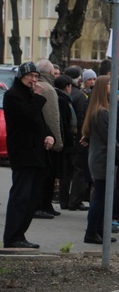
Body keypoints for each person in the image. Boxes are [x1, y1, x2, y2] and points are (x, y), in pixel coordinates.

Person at [2, 62, 55, 249]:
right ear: (21, 76)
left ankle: (20, 235)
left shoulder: (30, 95)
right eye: (30, 76)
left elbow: (39, 122)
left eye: (36, 76)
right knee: (21, 197)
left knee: (32, 199)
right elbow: (28, 117)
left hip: (37, 154)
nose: (34, 80)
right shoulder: (13, 96)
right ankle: (12, 236)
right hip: (24, 153)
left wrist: (49, 135)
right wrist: (39, 97)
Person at [81, 76, 119, 245]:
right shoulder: (102, 112)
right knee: (100, 197)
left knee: (102, 196)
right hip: (102, 160)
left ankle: (98, 230)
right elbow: (110, 139)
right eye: (110, 84)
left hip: (100, 158)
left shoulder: (99, 110)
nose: (112, 87)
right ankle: (92, 232)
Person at [34, 59, 63, 219]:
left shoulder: (39, 86)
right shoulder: (48, 89)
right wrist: (58, 141)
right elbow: (53, 117)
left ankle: (43, 204)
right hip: (47, 139)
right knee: (47, 175)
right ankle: (42, 205)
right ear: (50, 73)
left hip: (40, 137)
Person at [64, 65, 89, 211]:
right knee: (78, 169)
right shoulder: (79, 95)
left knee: (66, 170)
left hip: (65, 137)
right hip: (78, 137)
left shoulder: (61, 92)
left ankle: (63, 200)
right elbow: (81, 118)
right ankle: (74, 201)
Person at [53, 74, 77, 214]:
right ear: (67, 87)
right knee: (64, 171)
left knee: (64, 171)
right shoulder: (63, 100)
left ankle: (62, 200)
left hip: (63, 139)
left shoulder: (61, 98)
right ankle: (63, 200)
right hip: (64, 140)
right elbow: (66, 121)